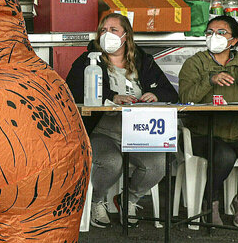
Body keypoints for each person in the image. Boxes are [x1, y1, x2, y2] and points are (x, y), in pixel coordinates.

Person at [67, 13, 178, 228]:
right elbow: (72, 90)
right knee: (111, 162)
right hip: (102, 131)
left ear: (126, 36)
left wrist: (156, 96)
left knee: (158, 163)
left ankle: (129, 199)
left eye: (113, 30)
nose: (107, 34)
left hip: (139, 133)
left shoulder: (143, 61)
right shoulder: (87, 60)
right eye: (103, 30)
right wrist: (111, 96)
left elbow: (170, 93)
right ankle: (98, 200)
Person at [178, 15, 238, 228]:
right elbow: (184, 99)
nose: (214, 37)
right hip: (201, 134)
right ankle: (210, 205)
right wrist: (209, 80)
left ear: (234, 41)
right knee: (224, 154)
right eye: (209, 32)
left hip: (236, 132)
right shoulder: (194, 63)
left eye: (221, 32)